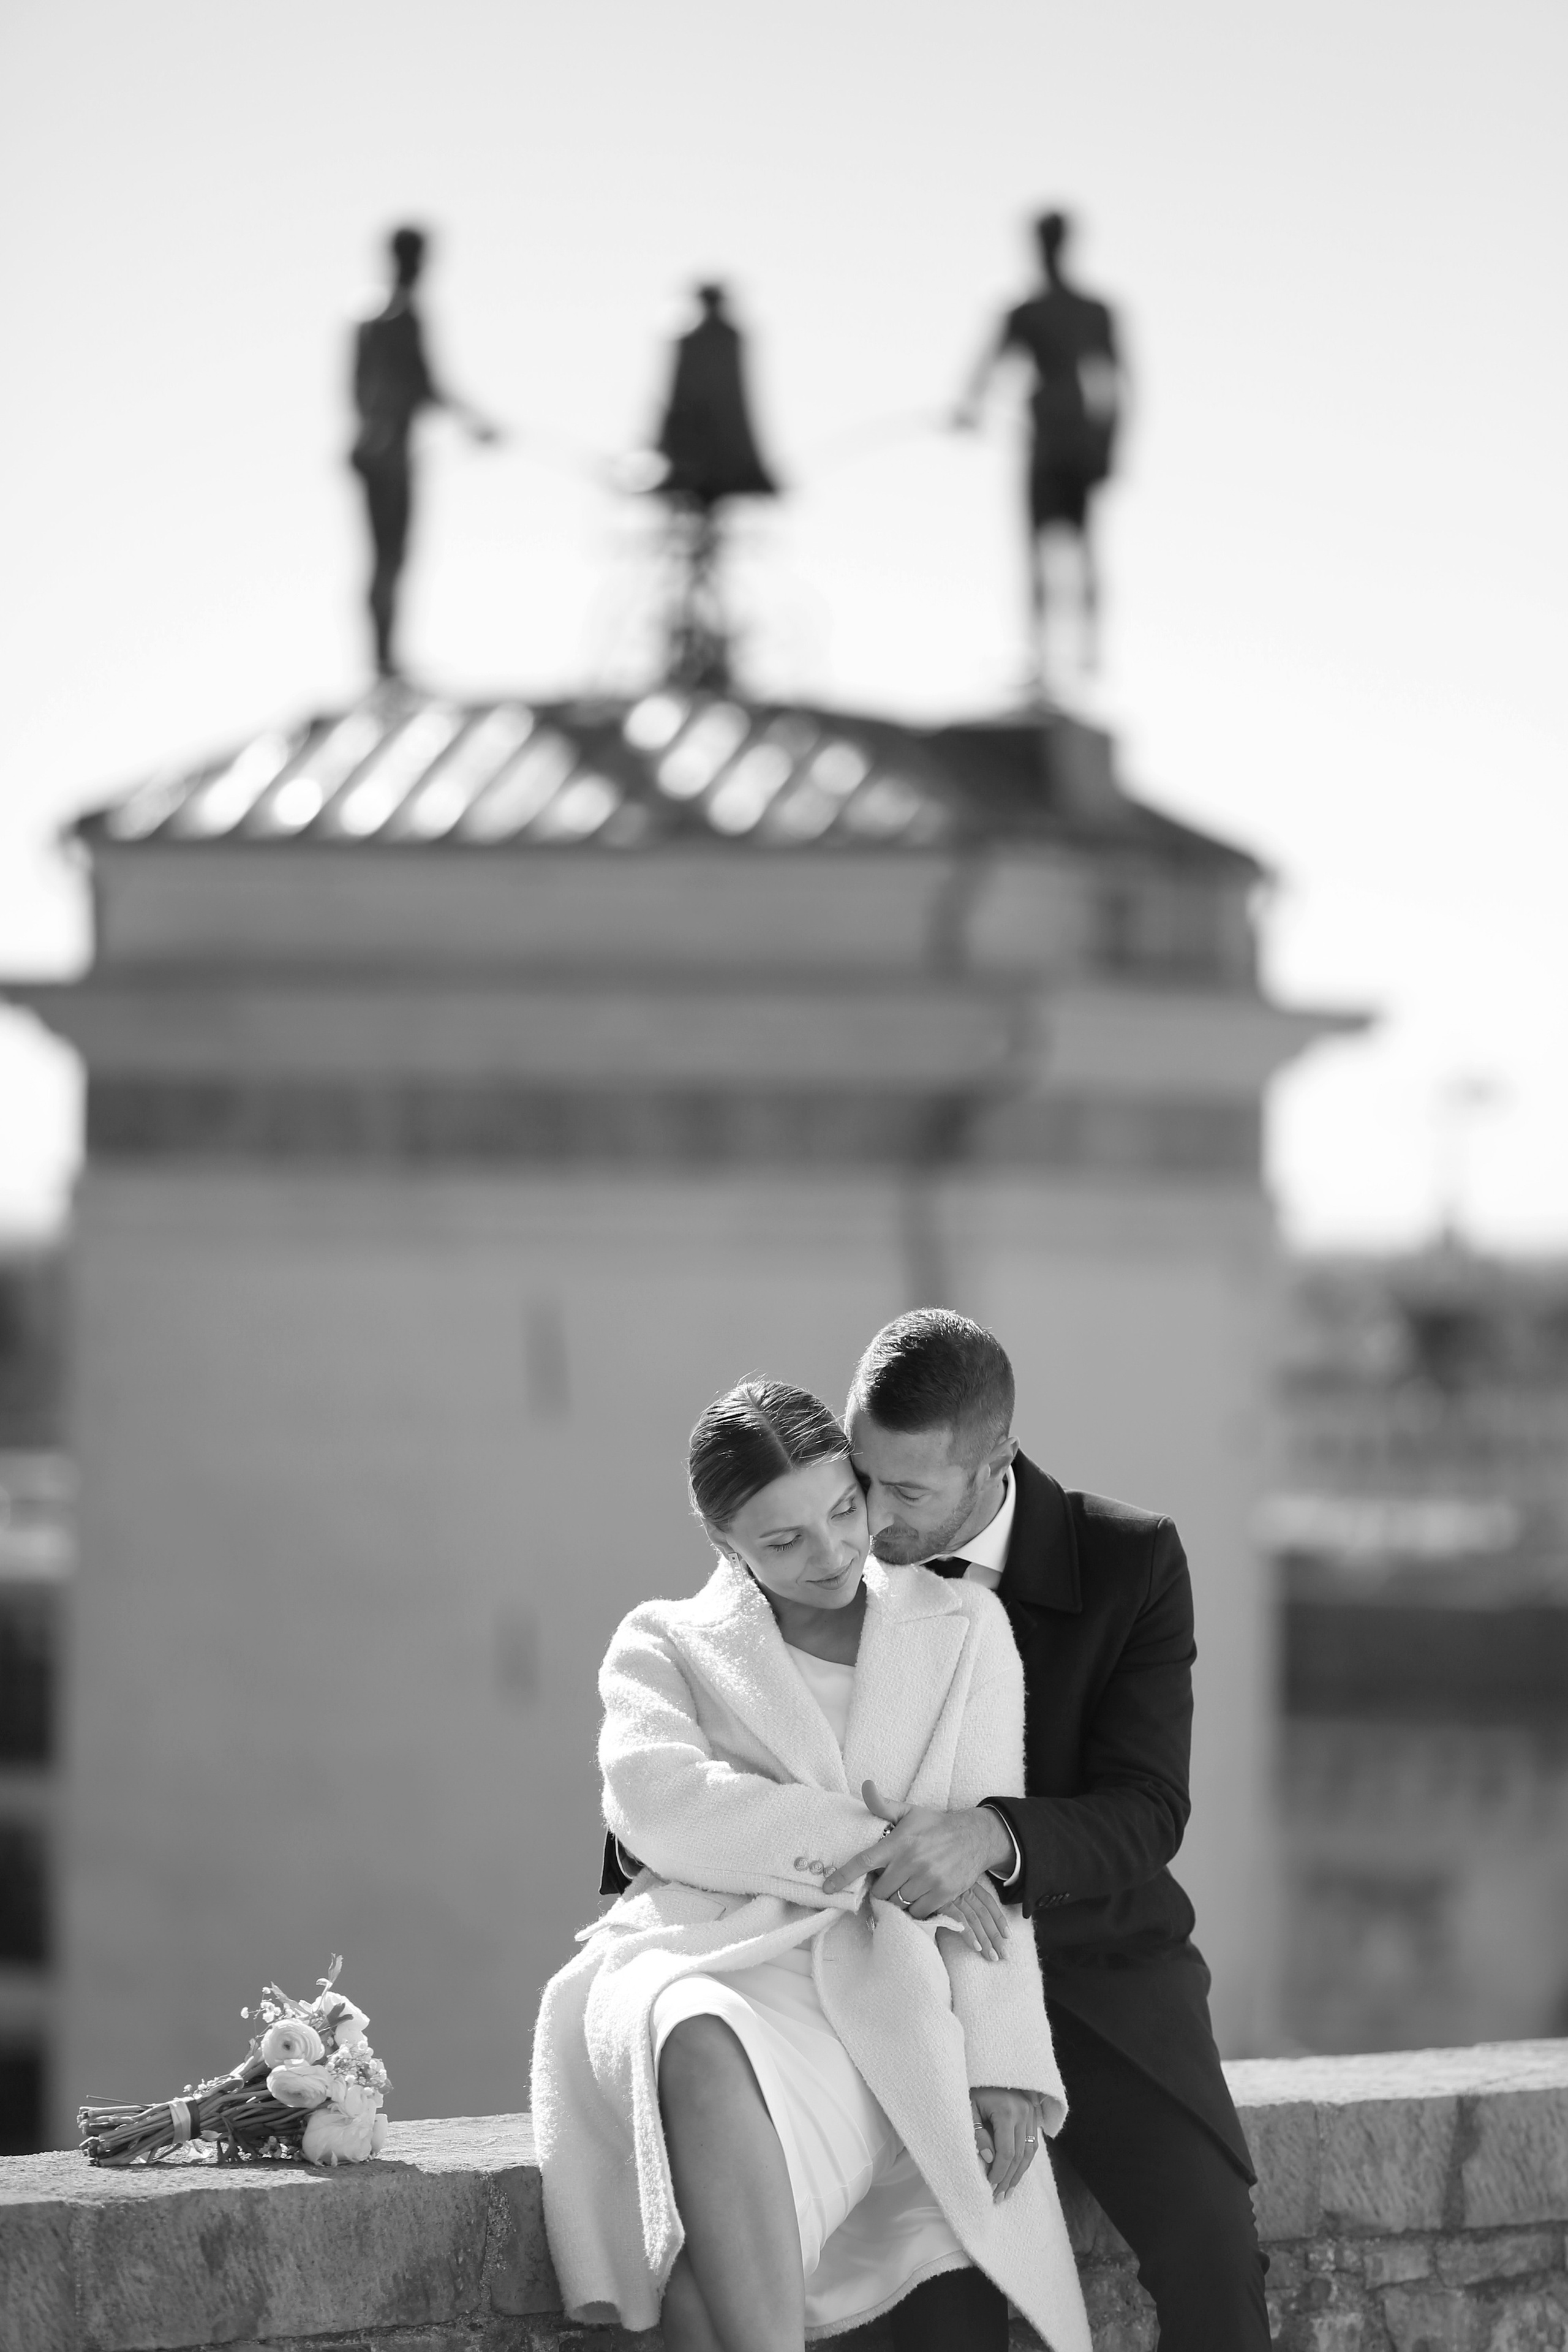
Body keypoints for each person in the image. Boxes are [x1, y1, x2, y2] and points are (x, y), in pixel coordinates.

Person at [533, 1379, 1091, 2352]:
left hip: (882, 1980)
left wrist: (1004, 2060)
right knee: (691, 2026)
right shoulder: (663, 1643)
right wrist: (885, 1848)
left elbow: (987, 1896)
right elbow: (660, 1804)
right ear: (726, 1545)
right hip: (705, 1952)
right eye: (782, 1541)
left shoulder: (966, 1631)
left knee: (703, 2288)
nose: (832, 1552)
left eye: (844, 1508)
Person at [813, 1310, 1272, 2352]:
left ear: (995, 1464)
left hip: (1104, 1978)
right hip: (915, 1985)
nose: (869, 1519)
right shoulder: (820, 1554)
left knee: (1216, 2270)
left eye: (908, 1492)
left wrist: (988, 1836)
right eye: (862, 1475)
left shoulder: (1132, 1561)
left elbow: (1150, 1808)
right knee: (937, 2309)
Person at [954, 210, 1125, 682]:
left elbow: (1118, 384)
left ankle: (1086, 654)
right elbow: (986, 371)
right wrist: (969, 408)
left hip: (1067, 443)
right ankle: (1041, 657)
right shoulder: (1023, 311)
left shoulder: (1088, 311)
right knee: (1040, 552)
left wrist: (1109, 446)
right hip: (1046, 439)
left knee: (1080, 549)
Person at [349, 224, 499, 679]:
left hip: (377, 448)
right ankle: (383, 661)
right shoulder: (399, 313)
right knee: (389, 557)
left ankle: (382, 659)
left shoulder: (366, 312)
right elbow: (422, 381)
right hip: (388, 452)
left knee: (386, 558)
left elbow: (358, 389)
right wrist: (474, 420)